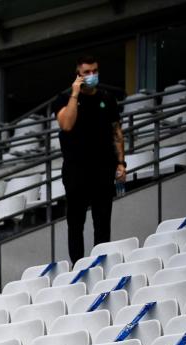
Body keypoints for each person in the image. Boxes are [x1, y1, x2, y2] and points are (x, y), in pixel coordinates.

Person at [53, 55, 125, 263]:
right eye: (87, 72)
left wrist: (121, 162)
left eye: (95, 71)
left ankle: (101, 263)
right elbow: (66, 125)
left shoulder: (107, 99)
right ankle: (78, 266)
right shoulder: (64, 98)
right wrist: (75, 93)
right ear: (78, 75)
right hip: (76, 172)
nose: (92, 75)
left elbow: (117, 132)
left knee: (102, 222)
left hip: (103, 169)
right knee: (76, 223)